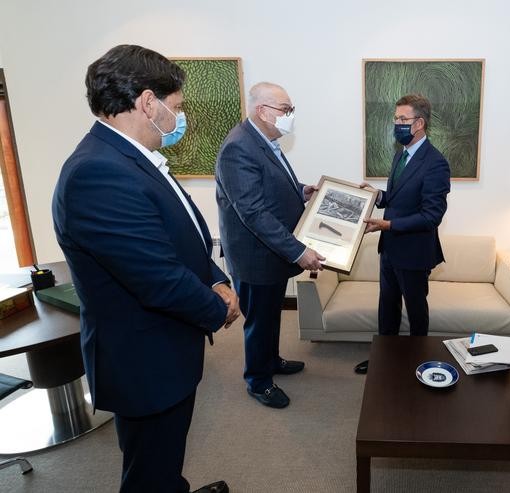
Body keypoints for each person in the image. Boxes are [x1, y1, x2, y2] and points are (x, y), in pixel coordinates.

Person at [52, 45, 239, 493]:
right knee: (148, 471)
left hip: (165, 348)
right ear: (148, 102)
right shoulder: (97, 173)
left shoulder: (128, 156)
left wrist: (217, 278)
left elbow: (181, 235)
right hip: (144, 360)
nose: (179, 118)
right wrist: (220, 309)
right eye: (175, 107)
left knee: (165, 457)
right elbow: (157, 279)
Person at [215, 82, 324, 409]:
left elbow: (271, 186)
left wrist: (302, 190)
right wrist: (299, 251)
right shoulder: (238, 148)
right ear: (262, 111)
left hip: (271, 253)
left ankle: (271, 360)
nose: (290, 116)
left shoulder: (263, 140)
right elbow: (253, 212)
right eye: (285, 110)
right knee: (259, 320)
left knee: (270, 314)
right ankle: (258, 381)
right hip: (254, 256)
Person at [354, 94, 451, 374]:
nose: (397, 124)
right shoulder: (401, 154)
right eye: (396, 119)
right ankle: (384, 358)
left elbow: (432, 215)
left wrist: (389, 225)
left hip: (414, 251)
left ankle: (419, 361)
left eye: (402, 119)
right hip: (390, 248)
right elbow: (398, 198)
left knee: (416, 311)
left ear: (419, 123)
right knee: (387, 306)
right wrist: (377, 196)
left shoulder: (436, 163)